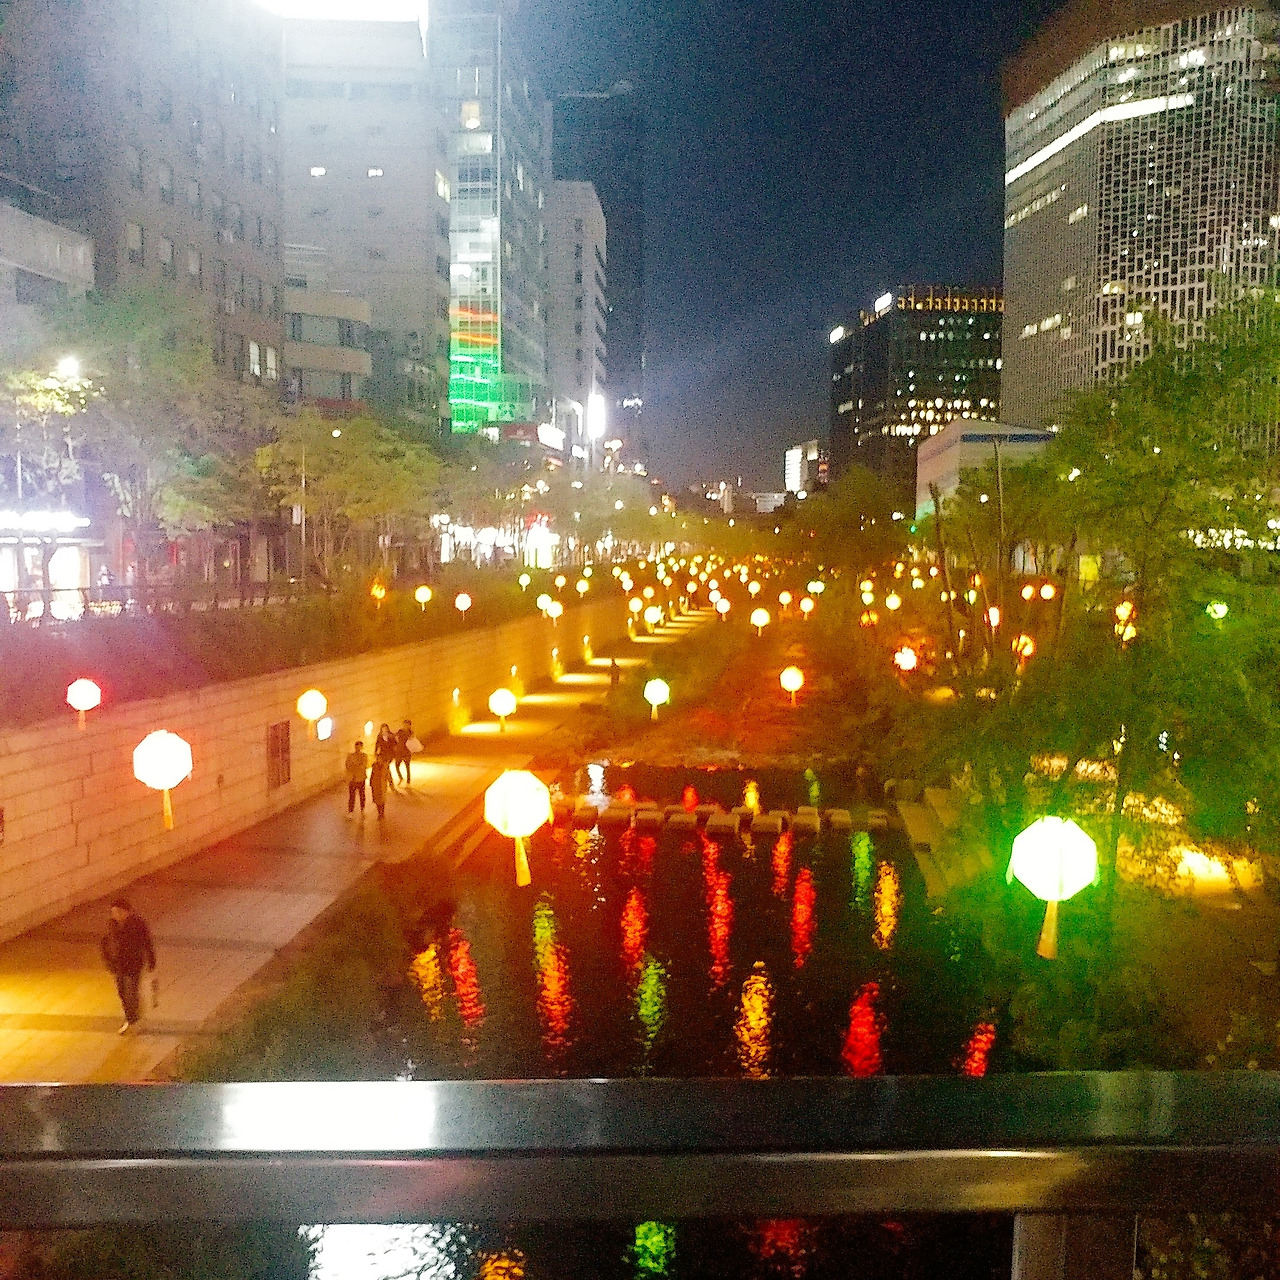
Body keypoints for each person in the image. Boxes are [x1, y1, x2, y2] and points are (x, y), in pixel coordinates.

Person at [100, 898, 156, 1033]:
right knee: (122, 993)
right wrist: (108, 961)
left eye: (119, 912)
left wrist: (151, 960)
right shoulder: (111, 925)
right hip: (118, 965)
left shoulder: (138, 924)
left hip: (134, 963)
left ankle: (134, 1019)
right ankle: (130, 1018)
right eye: (114, 912)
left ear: (127, 911)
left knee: (132, 992)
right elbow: (105, 943)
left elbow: (147, 942)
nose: (116, 915)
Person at [345, 740, 369, 815]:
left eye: (359, 747)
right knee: (352, 796)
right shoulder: (350, 756)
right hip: (352, 779)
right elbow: (347, 765)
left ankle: (362, 809)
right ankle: (350, 811)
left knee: (362, 795)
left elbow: (363, 766)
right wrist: (355, 765)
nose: (357, 748)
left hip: (361, 778)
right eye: (356, 747)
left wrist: (355, 764)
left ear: (361, 747)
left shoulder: (364, 756)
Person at [369, 756, 390, 821]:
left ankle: (382, 813)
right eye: (378, 759)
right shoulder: (374, 766)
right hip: (376, 785)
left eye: (380, 759)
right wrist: (371, 782)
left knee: (382, 799)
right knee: (377, 800)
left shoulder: (385, 766)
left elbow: (388, 775)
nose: (379, 760)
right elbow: (372, 774)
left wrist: (390, 783)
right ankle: (379, 813)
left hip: (383, 785)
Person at [394, 719, 414, 785]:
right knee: (397, 765)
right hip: (399, 751)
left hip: (406, 751)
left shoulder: (411, 733)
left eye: (407, 724)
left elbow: (413, 741)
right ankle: (401, 777)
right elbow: (396, 737)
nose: (405, 726)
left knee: (407, 767)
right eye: (404, 724)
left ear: (409, 725)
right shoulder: (400, 731)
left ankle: (408, 781)